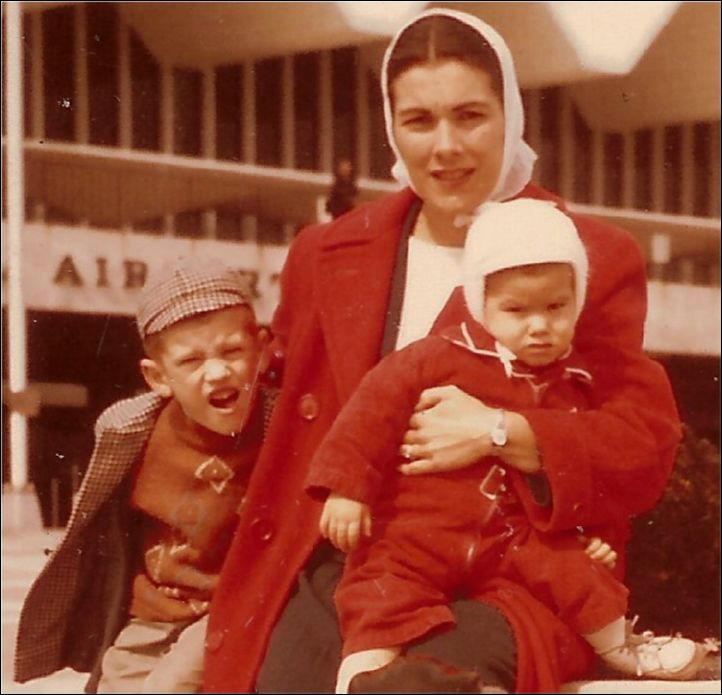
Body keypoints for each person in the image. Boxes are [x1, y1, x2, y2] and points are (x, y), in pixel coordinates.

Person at [204, 8, 684, 693]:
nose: (445, 146)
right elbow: (275, 404)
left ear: (510, 114)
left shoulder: (588, 255)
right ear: (391, 126)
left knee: (420, 684)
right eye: (420, 121)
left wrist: (505, 433)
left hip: (518, 564)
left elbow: (640, 448)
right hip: (354, 558)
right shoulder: (326, 252)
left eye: (470, 116)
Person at [305, 198, 711, 692]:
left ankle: (622, 645)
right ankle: (359, 679)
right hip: (421, 530)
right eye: (516, 310)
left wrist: (595, 529)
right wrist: (348, 490)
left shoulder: (574, 381)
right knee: (380, 595)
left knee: (573, 568)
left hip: (513, 540)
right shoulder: (436, 358)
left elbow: (601, 462)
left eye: (556, 308)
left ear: (577, 301)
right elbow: (370, 414)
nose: (538, 326)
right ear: (481, 304)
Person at [14, 257, 271, 693]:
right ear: (158, 377)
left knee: (170, 687)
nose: (217, 371)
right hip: (150, 613)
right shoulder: (131, 433)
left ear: (262, 351)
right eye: (191, 360)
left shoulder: (281, 423)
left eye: (232, 351)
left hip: (230, 608)